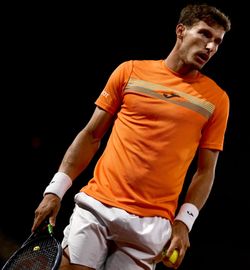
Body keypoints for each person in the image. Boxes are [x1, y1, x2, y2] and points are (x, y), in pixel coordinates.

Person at [31, 3, 231, 269]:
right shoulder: (130, 71)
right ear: (181, 31)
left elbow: (206, 171)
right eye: (205, 34)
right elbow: (91, 135)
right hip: (98, 206)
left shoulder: (216, 100)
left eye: (217, 42)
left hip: (151, 224)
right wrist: (54, 191)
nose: (211, 47)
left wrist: (184, 223)